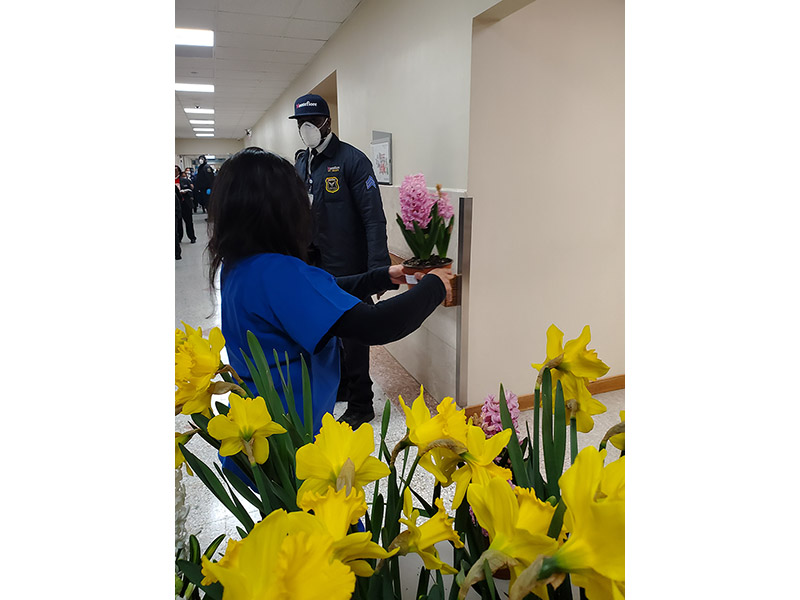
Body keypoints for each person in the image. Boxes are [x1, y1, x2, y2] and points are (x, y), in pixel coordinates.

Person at [206, 147, 454, 435]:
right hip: (284, 440)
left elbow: (320, 295)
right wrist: (436, 284)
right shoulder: (280, 271)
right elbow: (376, 325)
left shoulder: (240, 265)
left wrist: (381, 277)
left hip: (255, 427)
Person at [290, 93, 391, 428]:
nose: (308, 129)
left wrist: (377, 271)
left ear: (328, 121)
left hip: (349, 263)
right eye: (301, 124)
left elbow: (373, 218)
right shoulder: (302, 162)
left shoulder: (352, 160)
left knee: (354, 334)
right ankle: (345, 386)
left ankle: (362, 402)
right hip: (313, 263)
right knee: (325, 328)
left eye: (313, 122)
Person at [176, 165, 196, 243]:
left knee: (188, 221)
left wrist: (186, 192)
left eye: (176, 171)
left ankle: (192, 237)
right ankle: (179, 237)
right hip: (176, 205)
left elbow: (191, 190)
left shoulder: (184, 180)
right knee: (178, 223)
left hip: (185, 203)